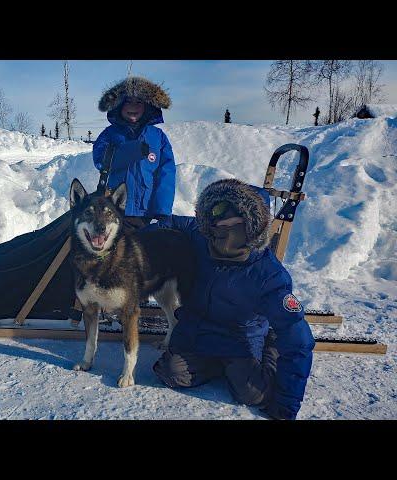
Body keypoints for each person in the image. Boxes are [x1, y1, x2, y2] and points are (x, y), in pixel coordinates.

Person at [151, 178, 315, 420]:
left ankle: (269, 346)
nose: (219, 224)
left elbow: (299, 340)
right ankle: (220, 366)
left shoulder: (269, 275)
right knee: (171, 374)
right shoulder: (201, 235)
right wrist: (142, 238)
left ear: (251, 224)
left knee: (254, 395)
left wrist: (286, 403)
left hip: (240, 340)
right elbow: (172, 222)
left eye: (230, 216)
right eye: (216, 215)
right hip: (199, 333)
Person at [93, 76, 176, 231]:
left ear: (147, 106)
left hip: (146, 213)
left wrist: (162, 211)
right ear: (119, 105)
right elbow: (101, 161)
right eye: (128, 101)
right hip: (113, 211)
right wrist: (132, 151)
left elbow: (166, 174)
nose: (134, 106)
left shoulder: (158, 137)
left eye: (139, 102)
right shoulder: (109, 134)